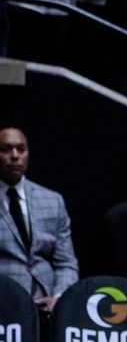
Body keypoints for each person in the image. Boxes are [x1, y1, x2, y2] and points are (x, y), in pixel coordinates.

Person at [0, 123, 79, 312]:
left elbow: (66, 262)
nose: (15, 156)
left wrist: (59, 298)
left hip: (47, 304)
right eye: (5, 149)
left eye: (21, 149)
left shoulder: (53, 201)